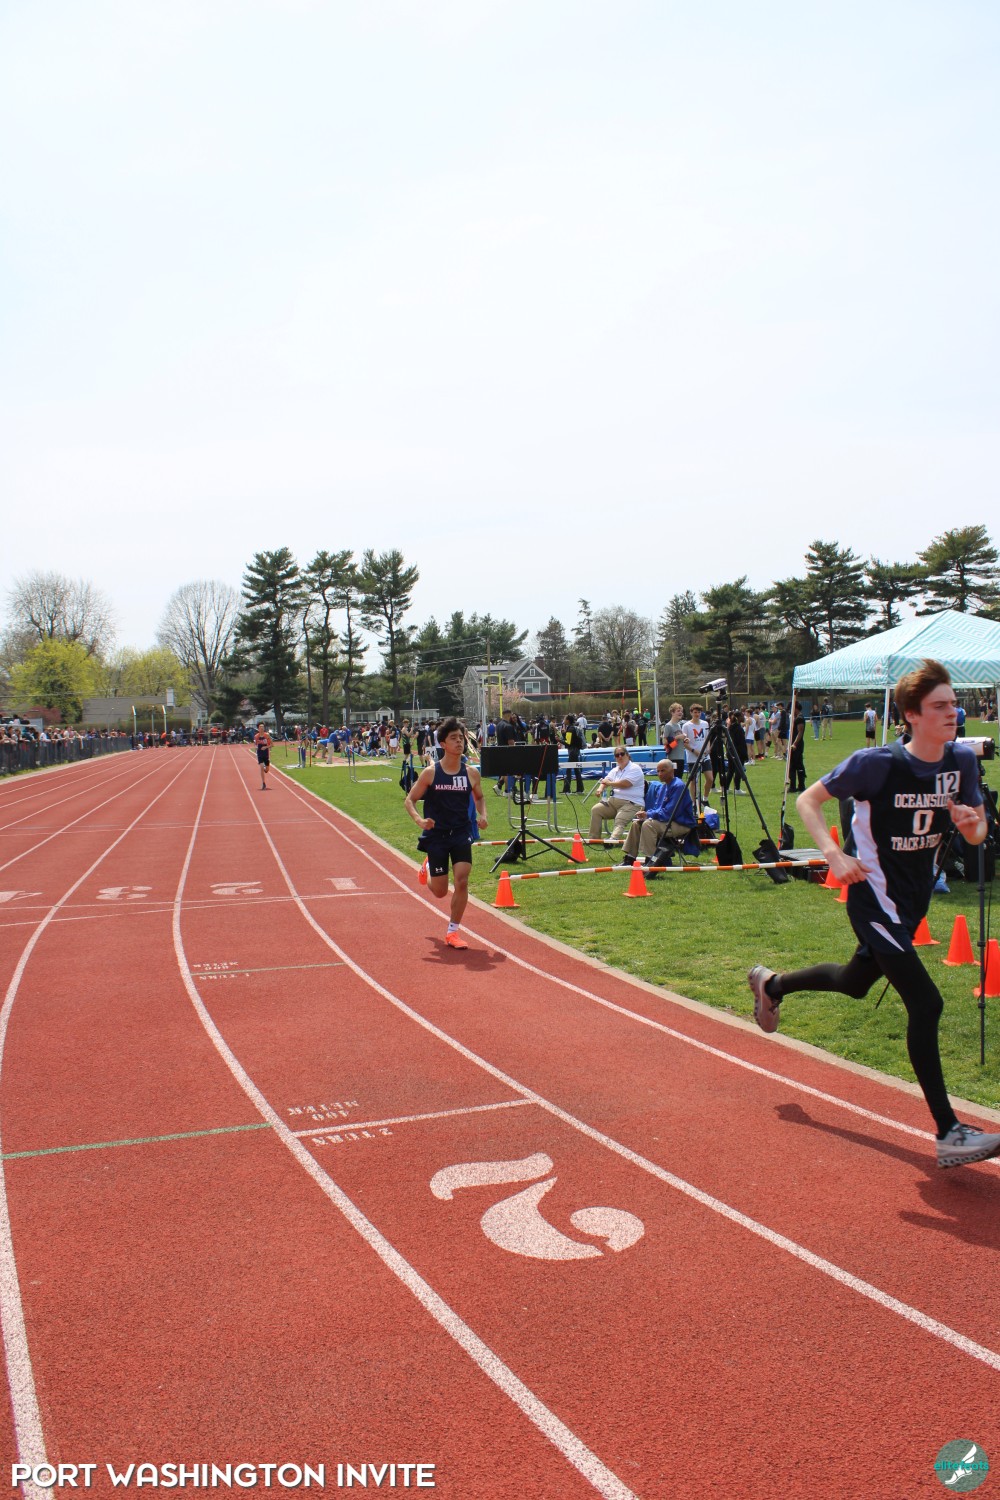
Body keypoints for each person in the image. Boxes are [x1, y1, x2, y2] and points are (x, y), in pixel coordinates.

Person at [748, 659, 1000, 1169]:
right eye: (940, 706)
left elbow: (977, 834)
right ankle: (949, 1132)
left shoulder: (961, 761)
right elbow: (809, 801)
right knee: (926, 1003)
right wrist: (833, 854)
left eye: (954, 704)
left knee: (854, 982)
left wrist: (969, 825)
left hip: (912, 901)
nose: (953, 713)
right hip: (872, 898)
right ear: (912, 715)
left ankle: (772, 985)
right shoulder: (876, 764)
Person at [404, 717, 488, 950]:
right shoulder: (431, 773)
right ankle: (429, 866)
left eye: (461, 738)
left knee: (462, 880)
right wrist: (419, 820)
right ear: (443, 744)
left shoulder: (471, 773)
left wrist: (483, 815)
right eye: (454, 738)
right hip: (437, 836)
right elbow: (410, 800)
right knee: (440, 892)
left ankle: (453, 931)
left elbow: (480, 797)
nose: (459, 742)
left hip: (461, 833)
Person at [621, 760, 697, 869]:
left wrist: (648, 815)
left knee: (648, 825)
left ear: (672, 771)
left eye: (663, 771)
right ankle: (630, 858)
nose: (660, 774)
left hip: (681, 823)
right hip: (667, 820)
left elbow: (669, 813)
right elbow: (657, 808)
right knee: (637, 824)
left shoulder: (678, 786)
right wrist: (645, 814)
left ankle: (651, 861)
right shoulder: (663, 787)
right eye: (658, 771)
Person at [588, 746, 645, 846]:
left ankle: (612, 841)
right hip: (613, 802)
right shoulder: (615, 770)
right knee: (596, 810)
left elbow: (625, 784)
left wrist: (609, 783)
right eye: (617, 755)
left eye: (622, 754)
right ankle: (594, 839)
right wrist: (600, 789)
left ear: (627, 755)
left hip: (632, 803)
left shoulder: (635, 768)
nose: (620, 757)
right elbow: (606, 780)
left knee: (620, 820)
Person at [681, 703, 713, 804]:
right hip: (693, 757)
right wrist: (694, 751)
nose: (697, 714)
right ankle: (694, 802)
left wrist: (708, 748)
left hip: (705, 756)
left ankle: (705, 799)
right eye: (695, 712)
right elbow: (684, 743)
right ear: (691, 713)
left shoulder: (705, 724)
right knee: (693, 780)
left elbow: (707, 738)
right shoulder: (686, 726)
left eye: (699, 712)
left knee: (710, 779)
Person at [562, 714, 585, 794]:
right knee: (576, 770)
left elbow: (568, 743)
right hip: (576, 751)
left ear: (568, 720)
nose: (564, 720)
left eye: (565, 719)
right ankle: (580, 789)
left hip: (572, 752)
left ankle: (567, 789)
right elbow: (571, 740)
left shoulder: (570, 729)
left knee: (568, 770)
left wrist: (558, 740)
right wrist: (564, 734)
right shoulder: (573, 728)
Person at [788, 701, 806, 793]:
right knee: (792, 766)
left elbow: (800, 732)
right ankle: (793, 786)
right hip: (793, 744)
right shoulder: (796, 717)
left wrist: (794, 744)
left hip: (797, 745)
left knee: (798, 765)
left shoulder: (799, 718)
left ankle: (801, 786)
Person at [253, 722, 272, 790]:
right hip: (260, 753)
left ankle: (266, 768)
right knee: (261, 767)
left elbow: (272, 745)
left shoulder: (267, 735)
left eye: (263, 727)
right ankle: (263, 783)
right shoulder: (256, 736)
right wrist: (256, 747)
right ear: (258, 728)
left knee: (267, 770)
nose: (262, 728)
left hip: (266, 754)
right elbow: (255, 744)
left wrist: (266, 747)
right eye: (260, 727)